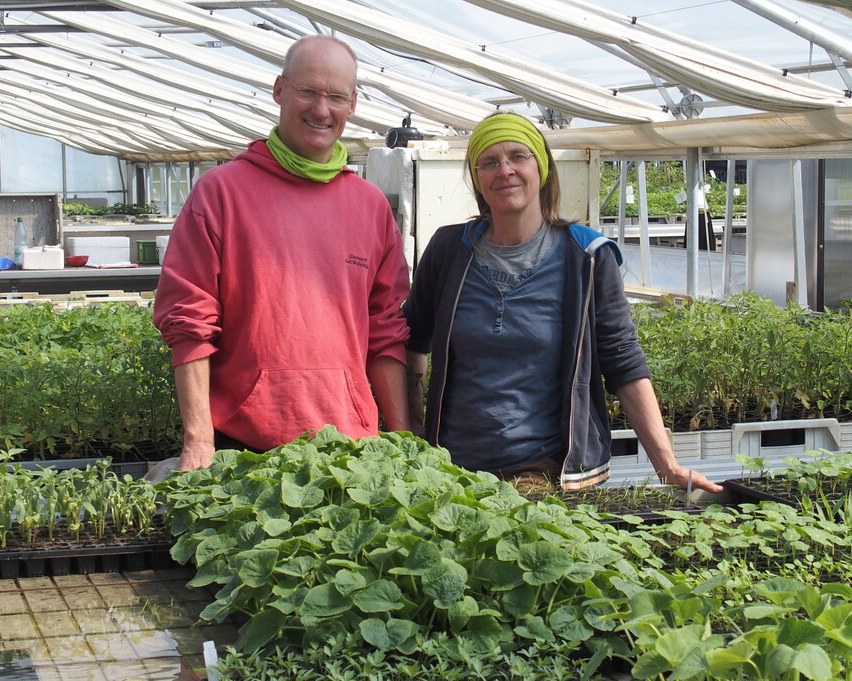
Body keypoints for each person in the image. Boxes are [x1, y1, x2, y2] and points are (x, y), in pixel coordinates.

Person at [403, 112, 721, 493]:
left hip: (543, 468)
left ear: (542, 169)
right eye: (489, 162)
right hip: (450, 467)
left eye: (518, 156)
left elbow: (623, 361)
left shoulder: (586, 256)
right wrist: (413, 429)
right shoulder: (449, 250)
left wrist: (667, 464)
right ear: (477, 179)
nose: (504, 170)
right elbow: (412, 338)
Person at [153, 35, 411, 471]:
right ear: (279, 90)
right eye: (308, 91)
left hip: (350, 447)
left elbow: (385, 328)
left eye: (336, 97)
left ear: (353, 104)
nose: (321, 110)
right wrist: (198, 439)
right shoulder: (222, 193)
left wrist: (404, 438)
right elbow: (189, 320)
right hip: (243, 444)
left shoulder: (369, 206)